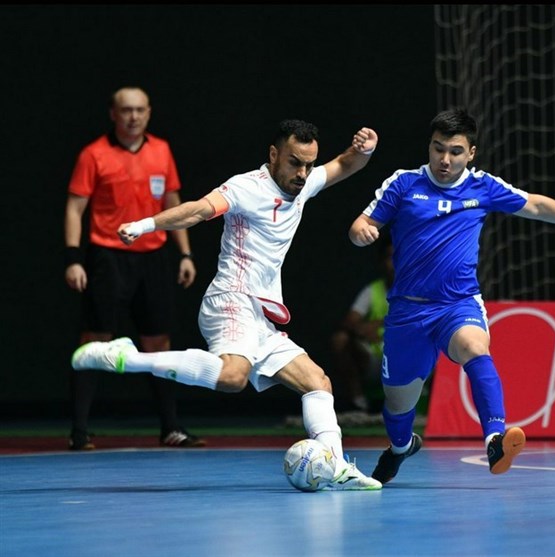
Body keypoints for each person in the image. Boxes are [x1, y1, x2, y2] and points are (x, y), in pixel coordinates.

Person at [71, 119, 383, 490]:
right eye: (294, 162)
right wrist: (146, 225)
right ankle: (126, 357)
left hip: (261, 316)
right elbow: (198, 210)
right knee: (233, 377)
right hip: (231, 299)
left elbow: (345, 164)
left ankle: (334, 466)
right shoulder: (246, 187)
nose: (302, 173)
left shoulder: (303, 183)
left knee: (318, 382)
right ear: (273, 155)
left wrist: (365, 150)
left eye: (308, 165)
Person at [348, 108, 555, 484]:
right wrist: (361, 231)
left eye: (454, 151)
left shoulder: (482, 187)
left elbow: (535, 204)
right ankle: (401, 447)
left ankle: (495, 438)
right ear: (429, 147)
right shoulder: (403, 184)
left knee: (475, 348)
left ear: (471, 153)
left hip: (457, 304)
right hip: (408, 313)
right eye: (437, 149)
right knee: (398, 408)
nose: (444, 159)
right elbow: (363, 223)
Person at [64, 86, 204, 451]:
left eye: (140, 110)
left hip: (153, 258)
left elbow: (174, 203)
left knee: (158, 343)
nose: (133, 117)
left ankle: (171, 428)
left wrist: (185, 254)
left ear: (149, 113)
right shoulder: (93, 154)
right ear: (113, 113)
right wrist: (73, 259)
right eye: (126, 110)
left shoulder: (161, 150)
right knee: (95, 343)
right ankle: (79, 432)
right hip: (107, 258)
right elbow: (75, 209)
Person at [329, 237, 393, 414]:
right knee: (340, 339)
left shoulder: (418, 289)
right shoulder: (373, 290)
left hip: (409, 358)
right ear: (381, 262)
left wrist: (383, 322)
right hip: (376, 359)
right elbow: (348, 323)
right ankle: (358, 402)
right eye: (389, 257)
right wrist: (362, 329)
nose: (394, 263)